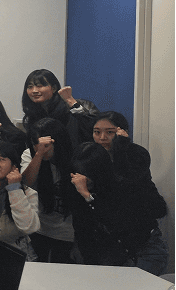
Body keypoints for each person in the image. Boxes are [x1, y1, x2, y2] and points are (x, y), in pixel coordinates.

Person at [69, 142, 168, 275]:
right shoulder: (78, 188)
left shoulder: (124, 185)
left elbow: (116, 222)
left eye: (87, 174)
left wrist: (88, 196)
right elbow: (82, 224)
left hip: (143, 250)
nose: (82, 179)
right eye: (78, 173)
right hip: (112, 253)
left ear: (99, 171)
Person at [20, 118, 76, 263]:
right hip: (39, 228)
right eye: (36, 144)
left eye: (46, 145)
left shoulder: (74, 157)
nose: (40, 147)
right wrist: (39, 154)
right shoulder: (31, 154)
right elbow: (27, 183)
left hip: (67, 231)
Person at [20, 68, 97, 148]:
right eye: (30, 87)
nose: (34, 91)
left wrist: (71, 102)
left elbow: (93, 130)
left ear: (54, 88)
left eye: (39, 86)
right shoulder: (33, 113)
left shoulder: (74, 105)